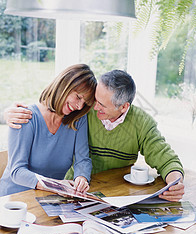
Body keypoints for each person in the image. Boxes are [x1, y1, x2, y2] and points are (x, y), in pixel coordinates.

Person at [4, 69, 184, 201]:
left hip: (93, 194)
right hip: (25, 197)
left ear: (123, 107)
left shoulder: (81, 117)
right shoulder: (75, 114)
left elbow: (164, 157)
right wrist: (6, 114)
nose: (88, 107)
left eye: (100, 104)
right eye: (93, 100)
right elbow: (17, 171)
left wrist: (175, 184)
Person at [0, 64, 97, 196]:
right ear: (64, 86)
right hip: (14, 199)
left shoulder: (78, 119)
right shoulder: (26, 117)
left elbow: (83, 159)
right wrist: (55, 186)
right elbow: (17, 172)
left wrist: (82, 177)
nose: (79, 106)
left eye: (84, 103)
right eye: (78, 97)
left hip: (48, 198)